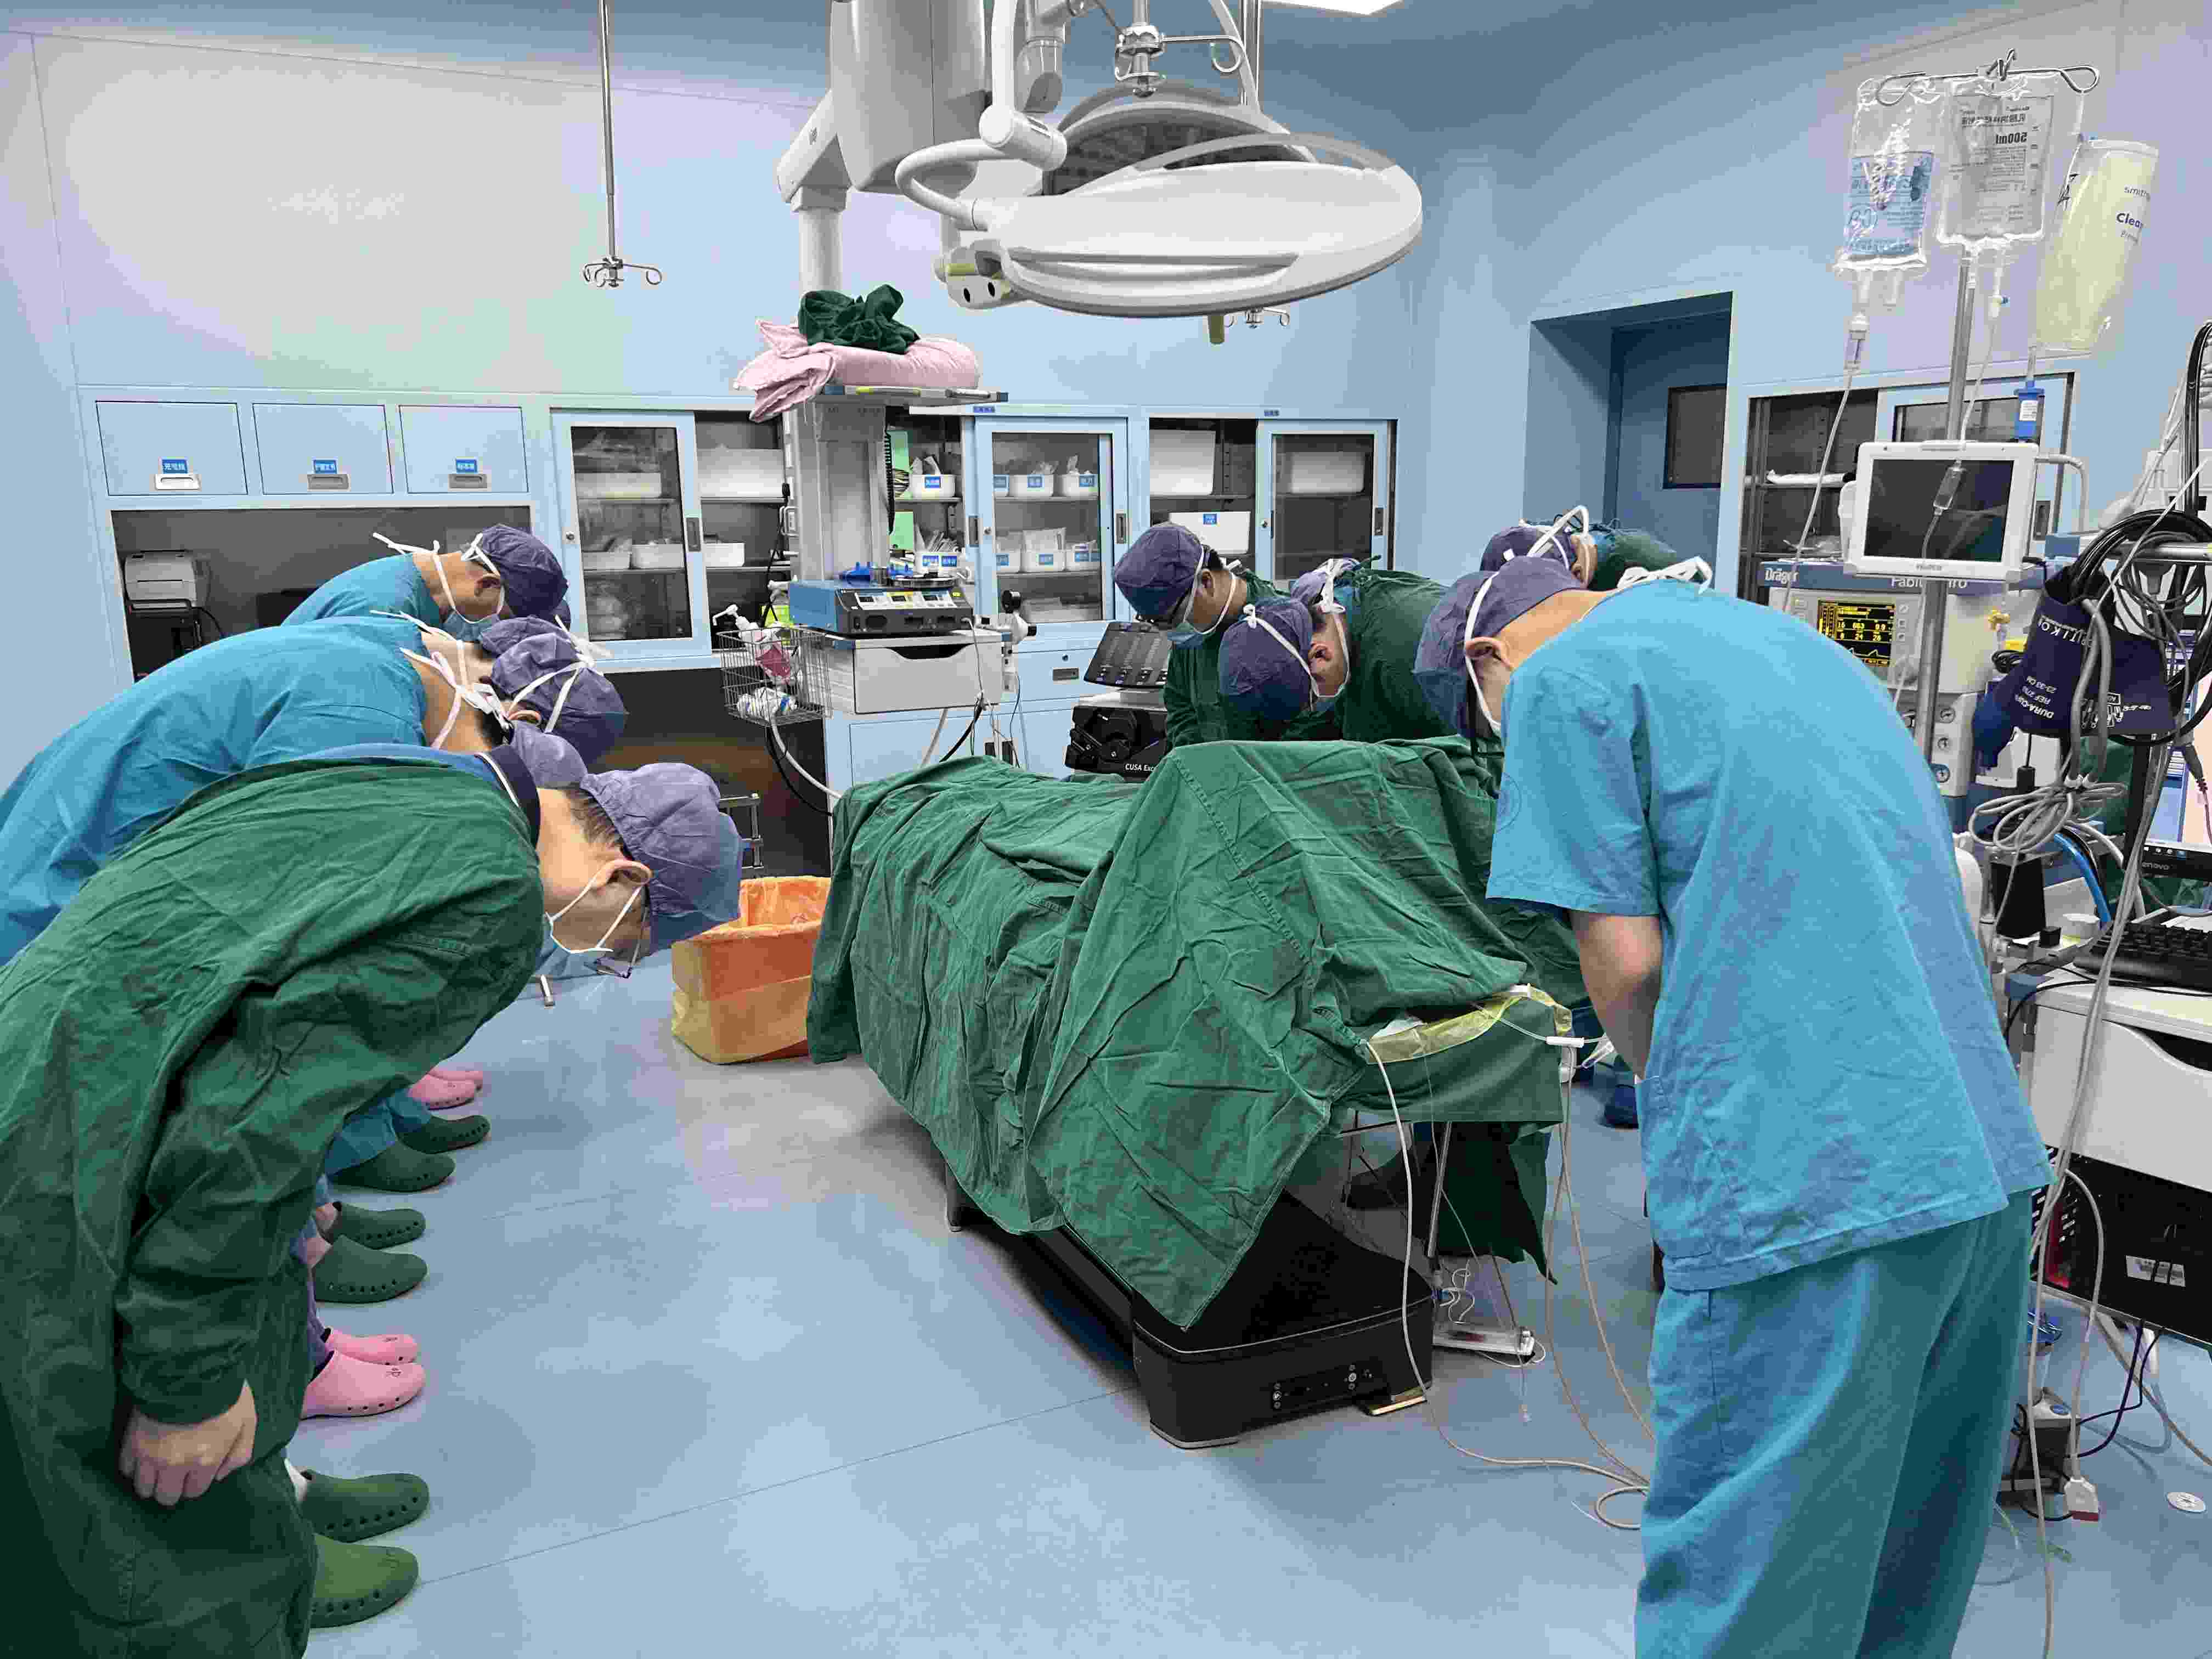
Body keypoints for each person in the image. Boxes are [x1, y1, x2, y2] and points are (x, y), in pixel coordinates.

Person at [0, 749, 741, 1656]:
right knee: (152, 1536)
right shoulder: (494, 903)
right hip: (67, 1152)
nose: (603, 957)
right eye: (625, 943)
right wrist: (185, 1389)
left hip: (61, 1056)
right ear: (623, 877)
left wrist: (299, 1192)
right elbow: (241, 1138)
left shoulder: (435, 788)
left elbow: (268, 1012)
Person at [1441, 556, 2046, 1658]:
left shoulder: (1564, 682)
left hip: (1811, 1188)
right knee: (1897, 1598)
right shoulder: (1802, 651)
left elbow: (1629, 969)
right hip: (1982, 1168)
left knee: (1755, 1606)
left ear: (1488, 657)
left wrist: (1668, 1083)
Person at [1112, 523, 1339, 749]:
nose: (1170, 630)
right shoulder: (1195, 634)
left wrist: (1243, 765)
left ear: (1206, 582)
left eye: (1171, 619)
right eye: (1155, 622)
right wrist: (1195, 755)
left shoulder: (1282, 629)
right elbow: (1180, 706)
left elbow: (1305, 728)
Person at [1216, 558, 1453, 743]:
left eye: (1312, 701)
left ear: (1320, 654)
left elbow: (1466, 763)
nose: (1316, 709)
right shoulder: (1339, 625)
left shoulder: (1410, 655)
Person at [284, 524, 567, 630]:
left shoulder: (427, 596)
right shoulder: (383, 609)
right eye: (502, 617)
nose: (493, 626)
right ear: (487, 585)